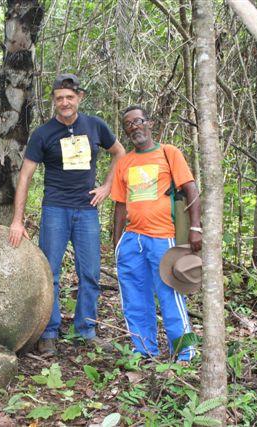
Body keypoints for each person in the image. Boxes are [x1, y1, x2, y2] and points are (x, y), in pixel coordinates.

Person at [8, 74, 126, 355]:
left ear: (79, 98)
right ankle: (48, 331)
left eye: (69, 97)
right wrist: (17, 220)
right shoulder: (43, 133)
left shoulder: (95, 126)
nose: (65, 102)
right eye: (59, 98)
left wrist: (107, 186)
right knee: (50, 273)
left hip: (87, 211)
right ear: (54, 101)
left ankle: (86, 330)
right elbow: (25, 177)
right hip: (55, 210)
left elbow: (120, 152)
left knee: (90, 273)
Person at [111, 106, 201, 362]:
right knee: (134, 298)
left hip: (164, 238)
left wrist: (195, 227)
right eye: (128, 124)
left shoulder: (168, 153)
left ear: (149, 123)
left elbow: (191, 189)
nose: (134, 127)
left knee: (171, 295)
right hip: (132, 240)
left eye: (138, 121)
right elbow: (119, 204)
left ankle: (185, 353)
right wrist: (118, 242)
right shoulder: (125, 162)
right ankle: (144, 350)